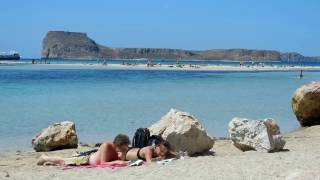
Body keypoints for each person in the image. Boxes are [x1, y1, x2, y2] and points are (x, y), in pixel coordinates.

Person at [37, 134, 130, 166]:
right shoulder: (106, 146)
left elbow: (119, 161)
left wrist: (121, 158)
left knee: (64, 161)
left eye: (125, 148)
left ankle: (50, 162)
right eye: (122, 148)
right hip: (85, 160)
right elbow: (103, 163)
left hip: (89, 160)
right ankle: (44, 157)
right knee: (63, 161)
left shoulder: (121, 149)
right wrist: (118, 162)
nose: (124, 150)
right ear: (116, 144)